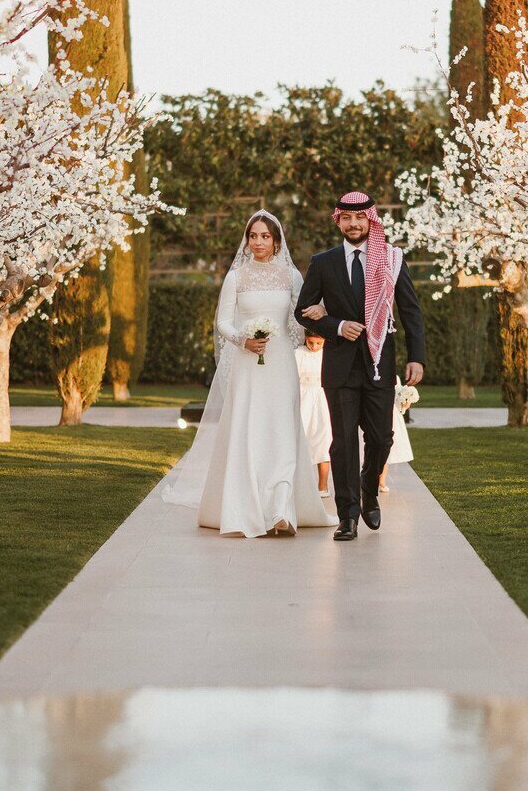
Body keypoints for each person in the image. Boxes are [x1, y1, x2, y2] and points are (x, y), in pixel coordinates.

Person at [162, 211, 336, 539]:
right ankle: (248, 505)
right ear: (247, 239)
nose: (258, 242)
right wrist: (243, 339)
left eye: (265, 236)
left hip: (282, 362)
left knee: (282, 428)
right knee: (250, 428)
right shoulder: (237, 277)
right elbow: (223, 321)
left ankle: (282, 508)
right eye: (253, 236)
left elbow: (302, 315)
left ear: (277, 240)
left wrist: (320, 313)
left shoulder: (291, 276)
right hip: (247, 362)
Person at [294, 190, 426, 542]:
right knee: (343, 443)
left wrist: (417, 356)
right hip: (339, 365)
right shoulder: (324, 262)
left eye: (360, 218)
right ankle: (348, 515)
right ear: (339, 220)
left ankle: (369, 487)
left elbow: (410, 311)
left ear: (371, 219)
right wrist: (335, 326)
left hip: (380, 363)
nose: (354, 224)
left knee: (382, 437)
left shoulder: (392, 260)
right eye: (347, 219)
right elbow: (302, 310)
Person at [295, 332, 331, 494]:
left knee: (323, 440)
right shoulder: (299, 353)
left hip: (323, 400)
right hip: (303, 398)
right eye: (311, 343)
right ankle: (299, 485)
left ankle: (323, 486)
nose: (314, 347)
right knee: (301, 437)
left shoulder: (328, 354)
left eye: (318, 343)